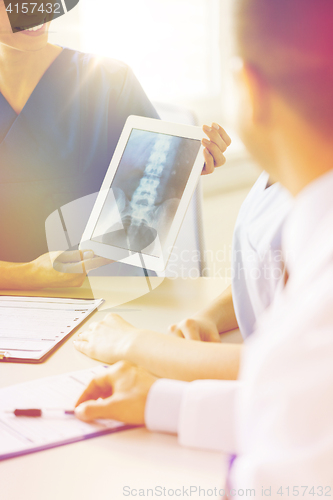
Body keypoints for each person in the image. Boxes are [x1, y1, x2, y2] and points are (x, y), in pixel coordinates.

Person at [74, 0, 333, 491]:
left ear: (247, 90)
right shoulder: (304, 197)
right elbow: (306, 400)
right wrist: (163, 401)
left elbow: (287, 389)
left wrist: (137, 344)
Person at [0, 1, 228, 289]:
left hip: (112, 299)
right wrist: (30, 275)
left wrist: (187, 164)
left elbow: (151, 193)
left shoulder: (109, 81)